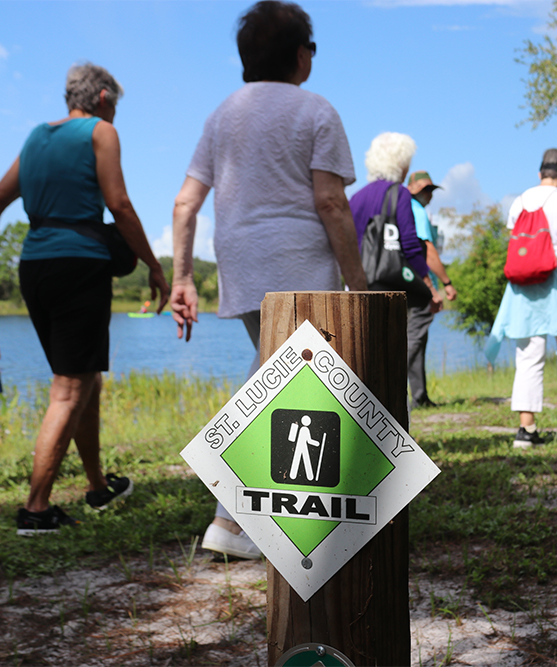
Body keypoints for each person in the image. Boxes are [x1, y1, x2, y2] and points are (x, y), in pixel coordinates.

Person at [169, 0, 367, 560]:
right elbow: (330, 201)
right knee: (287, 380)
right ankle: (231, 520)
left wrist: (183, 277)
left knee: (283, 376)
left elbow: (186, 203)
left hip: (241, 257)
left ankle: (286, 515)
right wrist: (358, 282)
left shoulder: (222, 114)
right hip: (297, 257)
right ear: (303, 56)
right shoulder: (316, 111)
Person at [0, 63, 170, 535]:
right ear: (102, 98)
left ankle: (97, 486)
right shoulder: (100, 132)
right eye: (115, 103)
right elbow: (120, 204)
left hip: (34, 267)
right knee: (69, 389)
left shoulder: (35, 136)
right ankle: (36, 509)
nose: (115, 113)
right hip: (80, 265)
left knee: (84, 378)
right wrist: (154, 266)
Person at [485, 149, 557, 448]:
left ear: (540, 172)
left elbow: (516, 243)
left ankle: (526, 429)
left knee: (528, 356)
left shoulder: (519, 200)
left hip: (524, 285)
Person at [349, 134, 443, 403]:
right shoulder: (398, 193)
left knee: (367, 348)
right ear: (400, 163)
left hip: (360, 283)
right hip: (391, 283)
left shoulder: (356, 198)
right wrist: (428, 285)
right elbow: (410, 246)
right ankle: (395, 395)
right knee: (402, 340)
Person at [406, 170, 456, 408]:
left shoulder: (405, 209)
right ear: (415, 189)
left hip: (406, 283)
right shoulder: (416, 210)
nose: (430, 195)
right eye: (426, 190)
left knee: (419, 338)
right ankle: (389, 392)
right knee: (413, 339)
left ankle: (419, 395)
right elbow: (427, 250)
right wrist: (445, 282)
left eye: (431, 190)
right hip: (419, 284)